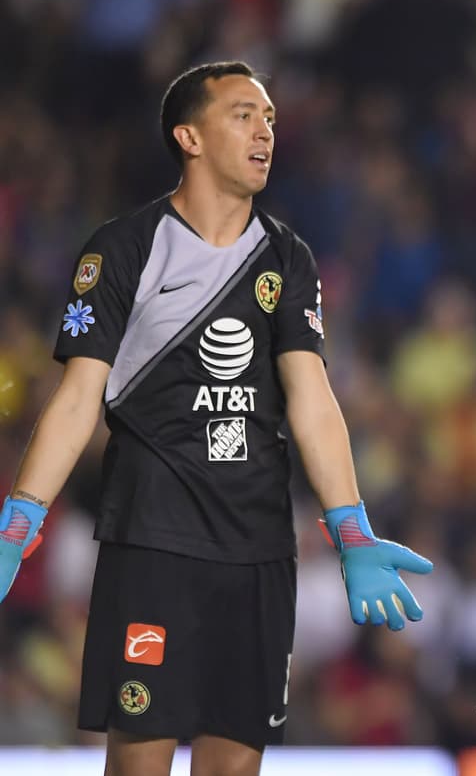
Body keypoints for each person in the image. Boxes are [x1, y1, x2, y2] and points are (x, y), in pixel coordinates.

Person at [0, 61, 434, 776]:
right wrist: (21, 519)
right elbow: (78, 398)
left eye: (268, 117)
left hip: (260, 551)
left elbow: (312, 399)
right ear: (189, 136)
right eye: (243, 114)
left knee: (234, 767)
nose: (265, 128)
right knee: (138, 764)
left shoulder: (288, 257)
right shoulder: (123, 249)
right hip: (152, 543)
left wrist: (350, 528)